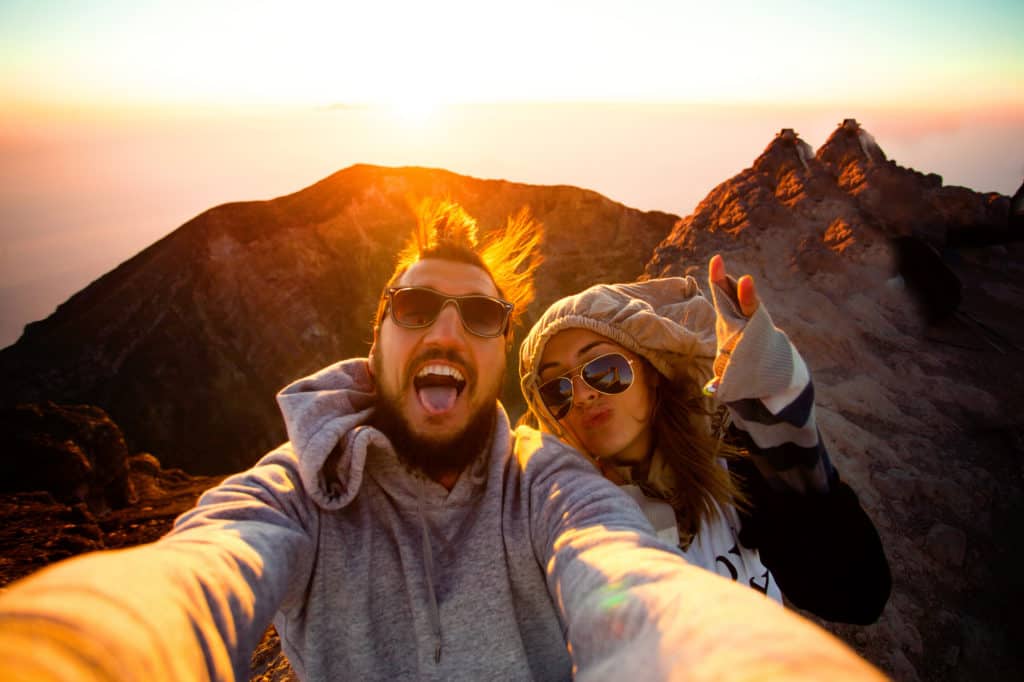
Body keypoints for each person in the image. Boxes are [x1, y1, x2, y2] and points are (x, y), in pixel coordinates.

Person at [0, 201, 885, 681]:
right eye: (415, 309)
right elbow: (204, 565)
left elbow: (629, 576)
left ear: (497, 356)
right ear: (376, 338)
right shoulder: (298, 487)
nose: (446, 331)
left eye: (480, 315)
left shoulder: (548, 483)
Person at [518, 256, 891, 624]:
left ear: (651, 369)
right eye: (558, 390)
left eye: (603, 370)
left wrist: (787, 433)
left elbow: (856, 597)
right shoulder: (569, 527)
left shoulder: (731, 469)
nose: (582, 395)